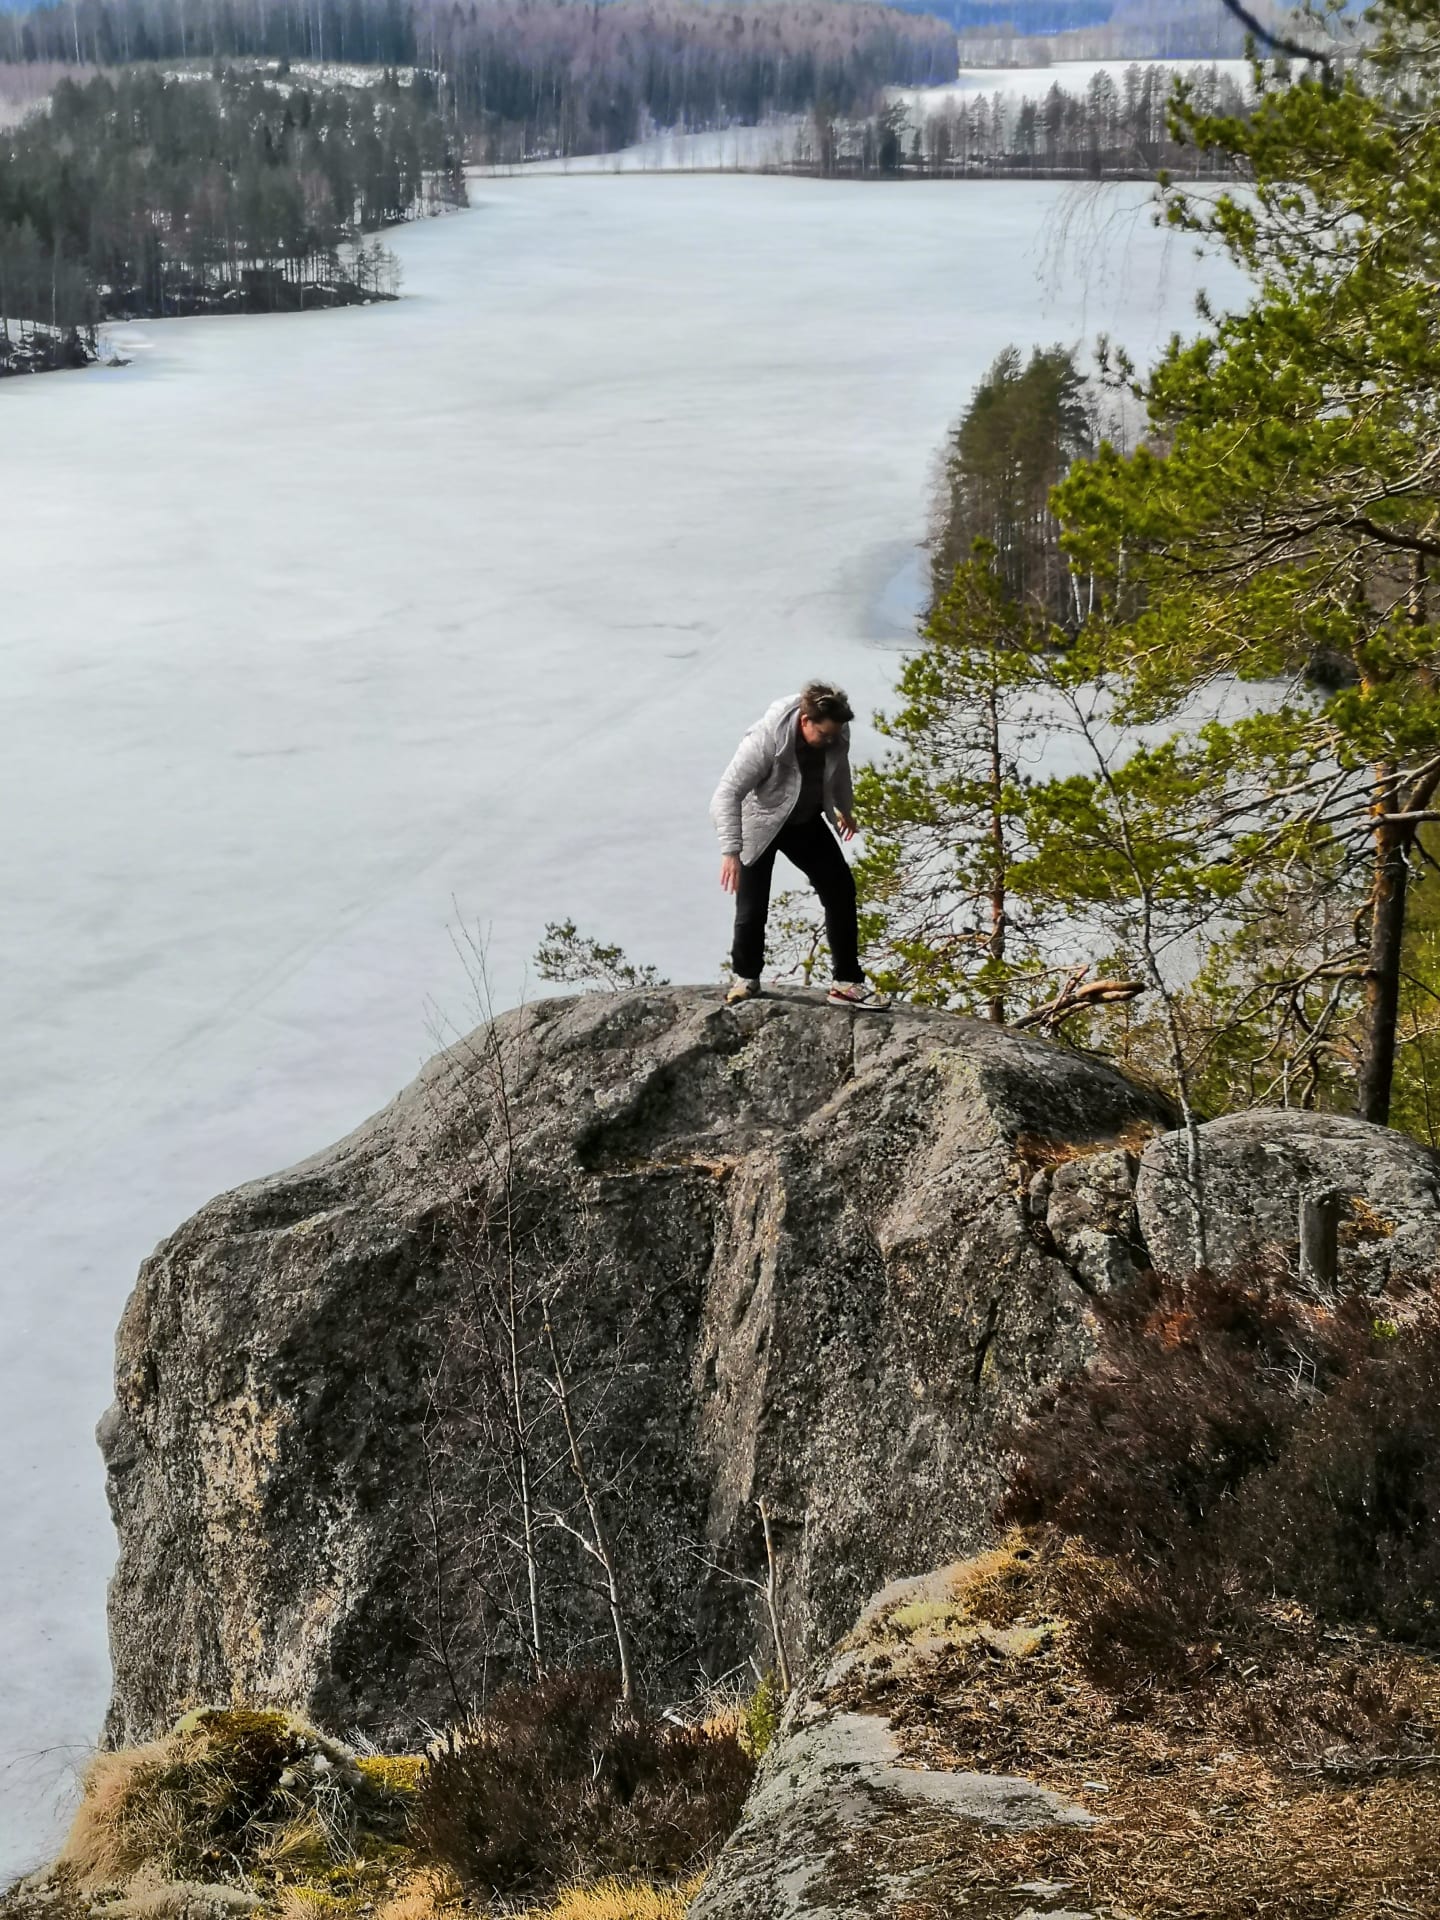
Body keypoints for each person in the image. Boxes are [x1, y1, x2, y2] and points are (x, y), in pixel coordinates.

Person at [710, 682, 887, 1008]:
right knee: (752, 905)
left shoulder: (837, 730)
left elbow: (839, 770)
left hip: (804, 820)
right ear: (805, 721)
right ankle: (747, 979)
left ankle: (846, 983)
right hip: (760, 823)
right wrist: (730, 852)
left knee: (841, 889)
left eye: (836, 734)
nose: (831, 740)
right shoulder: (766, 740)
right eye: (824, 734)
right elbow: (726, 794)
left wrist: (844, 809)